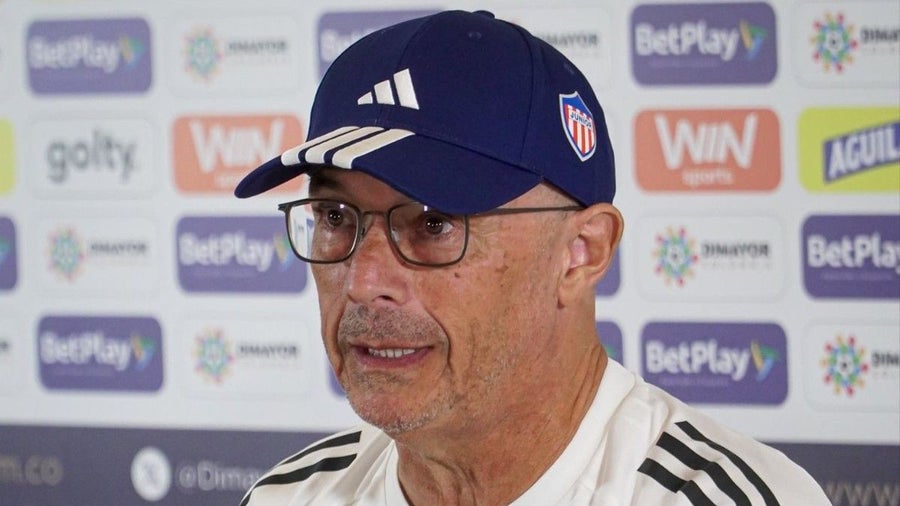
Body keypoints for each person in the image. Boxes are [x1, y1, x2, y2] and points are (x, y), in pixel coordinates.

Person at [234, 10, 829, 506]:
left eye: (433, 223)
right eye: (335, 217)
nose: (363, 282)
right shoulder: (287, 496)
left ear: (582, 252)